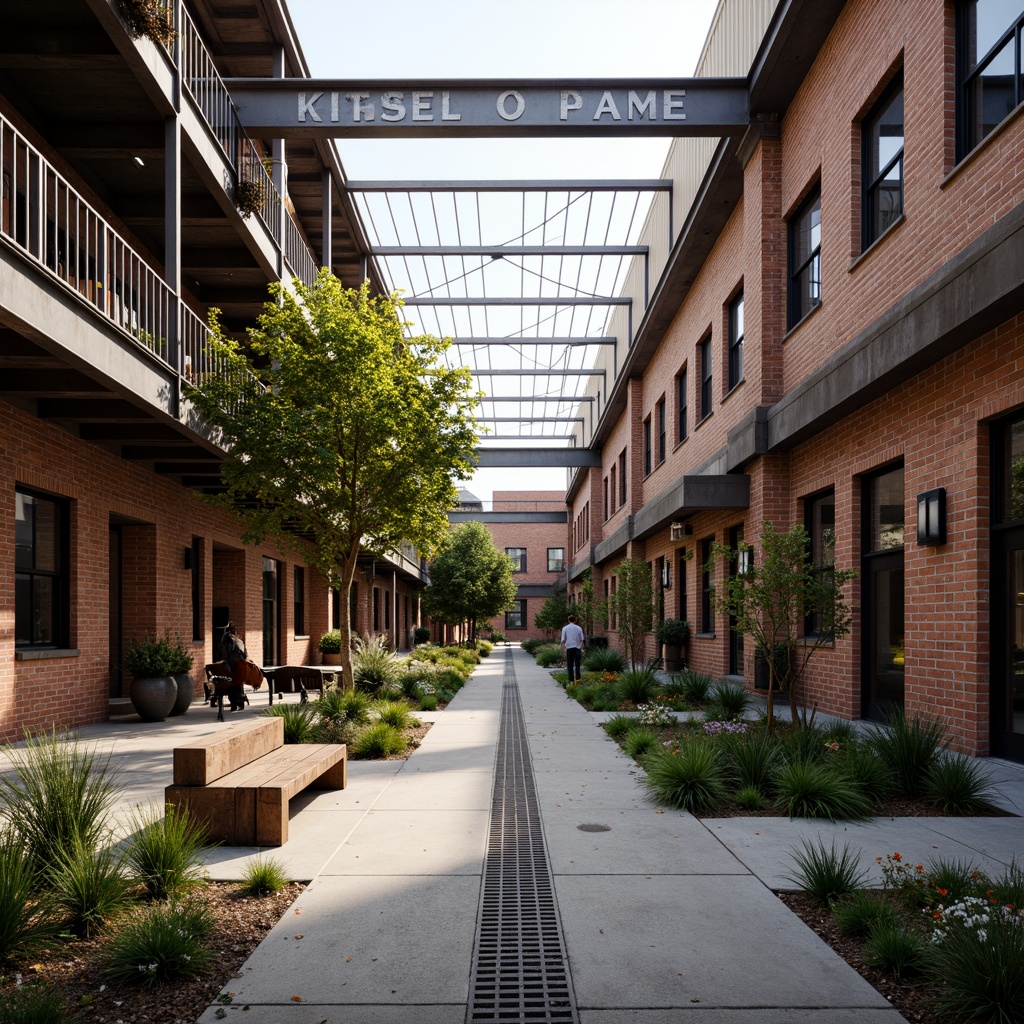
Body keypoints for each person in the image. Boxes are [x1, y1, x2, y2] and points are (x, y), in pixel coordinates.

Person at [217, 622, 247, 711]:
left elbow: (222, 653)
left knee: (232, 686)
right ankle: (239, 703)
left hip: (231, 667)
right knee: (238, 686)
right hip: (239, 667)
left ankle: (235, 704)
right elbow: (244, 655)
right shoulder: (238, 641)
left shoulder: (228, 641)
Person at [560, 614, 586, 682]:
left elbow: (563, 640)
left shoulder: (565, 628)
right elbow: (582, 639)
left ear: (568, 620)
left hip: (569, 648)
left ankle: (571, 679)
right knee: (577, 664)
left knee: (570, 664)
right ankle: (578, 679)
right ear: (575, 620)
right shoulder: (579, 628)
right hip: (577, 648)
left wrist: (564, 649)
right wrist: (581, 648)